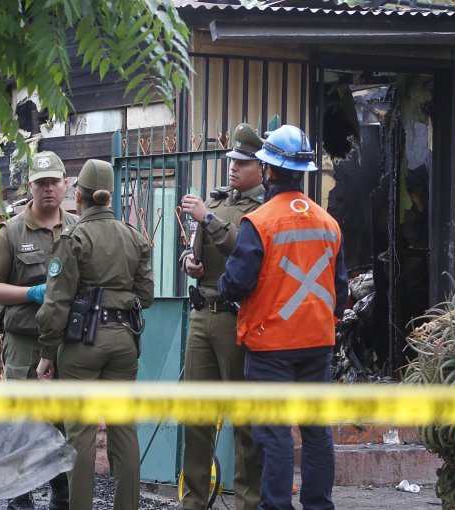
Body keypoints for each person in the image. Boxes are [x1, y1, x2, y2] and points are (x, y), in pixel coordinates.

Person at [218, 125, 348, 510]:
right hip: (318, 344)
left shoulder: (259, 222)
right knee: (316, 432)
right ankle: (319, 505)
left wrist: (223, 289)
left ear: (270, 171)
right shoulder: (328, 222)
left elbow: (237, 283)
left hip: (270, 344)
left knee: (273, 434)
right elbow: (340, 290)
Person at [35, 159, 153, 510]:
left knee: (81, 437)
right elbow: (145, 295)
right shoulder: (134, 237)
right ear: (108, 196)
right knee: (124, 431)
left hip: (81, 345)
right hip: (123, 342)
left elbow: (56, 303)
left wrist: (46, 353)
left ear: (79, 197)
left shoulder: (74, 237)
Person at [0, 150, 75, 510]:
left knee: (60, 425)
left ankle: (61, 499)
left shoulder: (77, 227)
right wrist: (30, 293)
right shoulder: (12, 233)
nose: (48, 188)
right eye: (41, 183)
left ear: (65, 184)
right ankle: (21, 502)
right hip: (25, 343)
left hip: (67, 343)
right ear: (30, 187)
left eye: (54, 181)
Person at [177, 123, 264, 510]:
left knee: (243, 422)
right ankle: (193, 501)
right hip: (202, 313)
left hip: (236, 319)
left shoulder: (262, 209)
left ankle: (249, 501)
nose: (233, 168)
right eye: (231, 161)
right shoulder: (216, 201)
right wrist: (188, 262)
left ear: (261, 167)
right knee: (196, 416)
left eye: (243, 163)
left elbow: (241, 248)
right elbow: (198, 254)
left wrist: (206, 219)